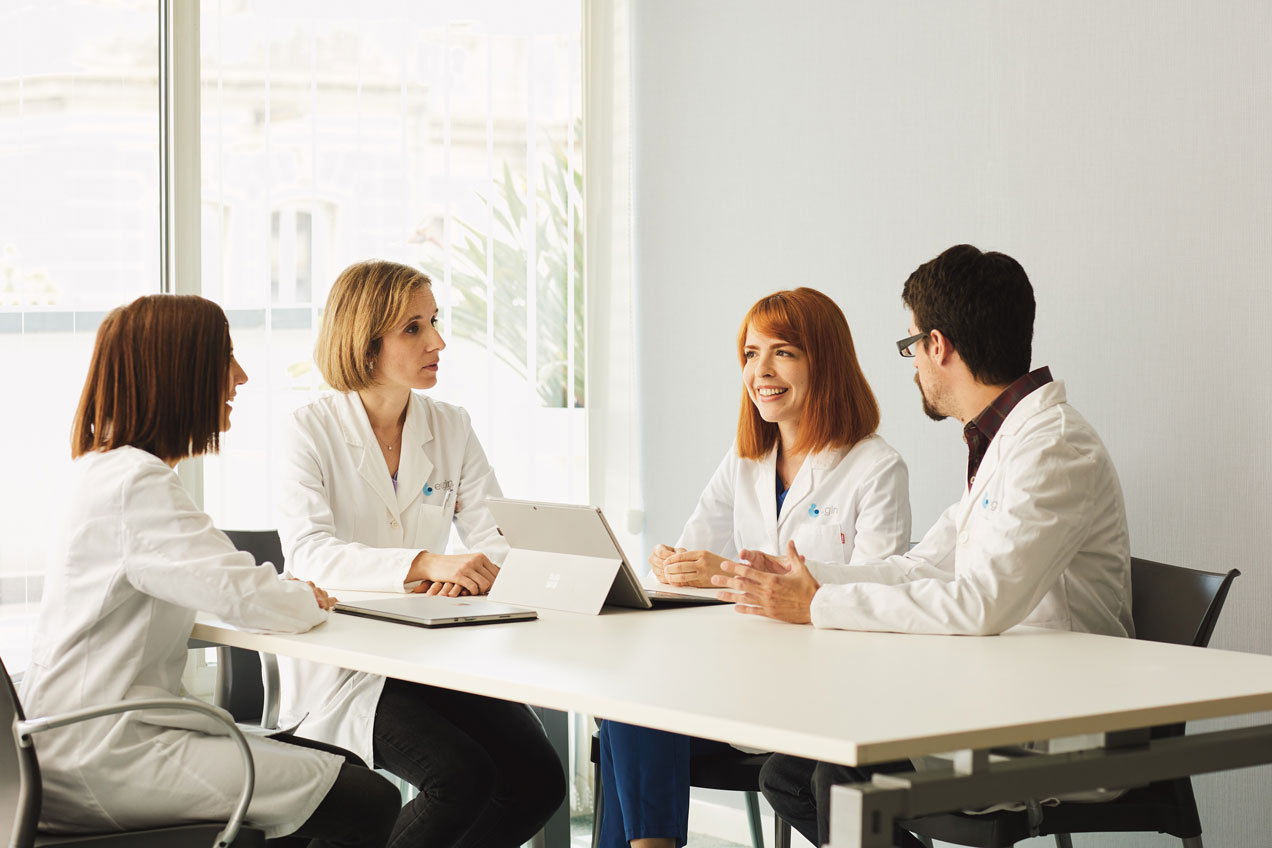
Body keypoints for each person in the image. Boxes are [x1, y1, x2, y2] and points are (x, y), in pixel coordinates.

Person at [713, 246, 1133, 848]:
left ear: (939, 346)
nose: (911, 364)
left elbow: (981, 604)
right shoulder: (1004, 443)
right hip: (1000, 687)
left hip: (1054, 718)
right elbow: (920, 565)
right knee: (790, 775)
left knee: (840, 773)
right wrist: (806, 580)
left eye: (911, 346)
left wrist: (818, 606)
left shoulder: (1054, 448)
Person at [20, 295, 400, 847]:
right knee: (366, 797)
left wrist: (278, 590)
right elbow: (245, 595)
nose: (241, 377)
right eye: (227, 357)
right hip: (101, 757)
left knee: (330, 768)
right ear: (180, 373)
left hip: (68, 742)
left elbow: (205, 577)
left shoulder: (100, 470)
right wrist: (305, 598)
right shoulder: (136, 483)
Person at [597, 287, 912, 848]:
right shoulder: (745, 460)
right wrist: (678, 566)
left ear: (826, 362)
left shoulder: (876, 467)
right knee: (629, 705)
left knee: (627, 728)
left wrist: (721, 572)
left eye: (783, 352)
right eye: (750, 353)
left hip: (822, 696)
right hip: (737, 682)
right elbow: (694, 558)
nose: (760, 370)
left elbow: (877, 598)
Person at [276, 259, 566, 848]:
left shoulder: (449, 425)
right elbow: (309, 553)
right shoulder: (308, 430)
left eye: (433, 321)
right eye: (413, 328)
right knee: (459, 778)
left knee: (536, 782)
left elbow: (495, 538)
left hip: (426, 649)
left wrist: (473, 574)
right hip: (344, 661)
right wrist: (428, 564)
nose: (438, 341)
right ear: (365, 340)